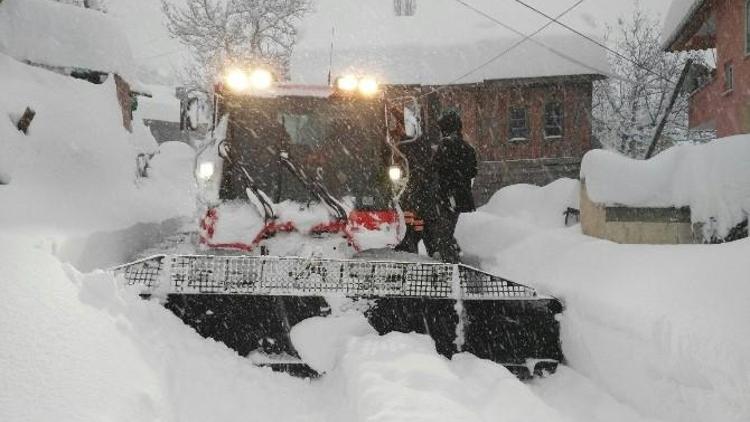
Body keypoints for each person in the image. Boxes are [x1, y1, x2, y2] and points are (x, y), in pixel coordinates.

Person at [429, 108, 478, 263]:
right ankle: (455, 258)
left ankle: (452, 265)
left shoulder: (445, 146)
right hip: (461, 196)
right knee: (447, 231)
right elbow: (472, 171)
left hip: (447, 196)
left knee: (442, 233)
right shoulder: (468, 148)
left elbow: (434, 168)